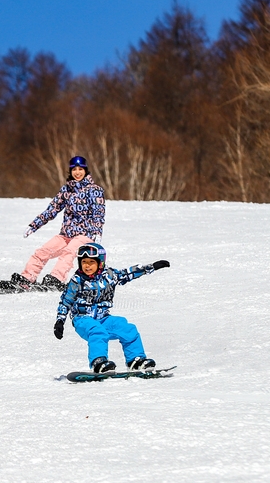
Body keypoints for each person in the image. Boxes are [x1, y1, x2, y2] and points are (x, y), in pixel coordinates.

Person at [53, 242, 170, 373]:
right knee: (97, 331)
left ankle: (135, 361)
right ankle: (99, 362)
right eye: (84, 261)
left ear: (100, 262)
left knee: (127, 328)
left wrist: (151, 267)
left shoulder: (109, 275)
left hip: (103, 318)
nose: (87, 265)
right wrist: (60, 321)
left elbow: (127, 274)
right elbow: (66, 301)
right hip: (82, 319)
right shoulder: (77, 280)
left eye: (91, 262)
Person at [9, 156, 105, 291]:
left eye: (80, 169)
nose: (77, 172)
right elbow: (52, 209)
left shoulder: (94, 190)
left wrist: (97, 232)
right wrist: (34, 225)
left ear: (85, 170)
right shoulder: (67, 190)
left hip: (85, 235)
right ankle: (27, 277)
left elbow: (98, 212)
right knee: (43, 251)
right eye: (74, 169)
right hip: (66, 234)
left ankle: (57, 279)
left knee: (69, 251)